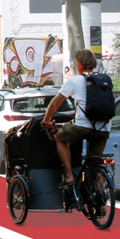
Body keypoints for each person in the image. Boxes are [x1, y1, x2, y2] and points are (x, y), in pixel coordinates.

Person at [42, 50, 110, 187]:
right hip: (104, 127)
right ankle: (101, 197)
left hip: (82, 127)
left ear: (79, 64)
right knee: (95, 163)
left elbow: (55, 104)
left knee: (60, 138)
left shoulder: (74, 81)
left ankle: (69, 176)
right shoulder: (104, 80)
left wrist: (46, 120)